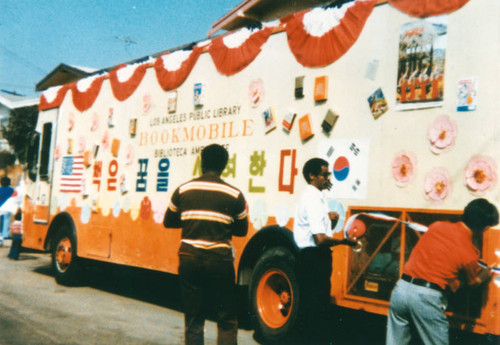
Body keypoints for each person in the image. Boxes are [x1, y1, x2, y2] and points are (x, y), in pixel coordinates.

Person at [163, 144, 248, 345]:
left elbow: (169, 221)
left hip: (189, 257)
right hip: (220, 260)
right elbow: (242, 230)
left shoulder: (184, 189)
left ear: (202, 163)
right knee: (226, 317)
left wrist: (191, 220)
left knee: (194, 316)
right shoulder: (234, 194)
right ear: (224, 166)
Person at [386, 198, 499, 345]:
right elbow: (472, 283)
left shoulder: (437, 226)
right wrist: (484, 275)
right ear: (484, 228)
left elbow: (435, 260)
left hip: (401, 290)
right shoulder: (469, 252)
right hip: (426, 298)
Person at [294, 158, 356, 343]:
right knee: (315, 307)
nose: (329, 177)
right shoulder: (312, 198)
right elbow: (320, 239)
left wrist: (330, 220)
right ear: (312, 175)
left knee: (315, 305)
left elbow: (321, 230)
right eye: (325, 174)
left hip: (314, 257)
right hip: (314, 257)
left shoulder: (318, 197)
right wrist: (345, 242)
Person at [0, 176, 14, 243]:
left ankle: (1, 234)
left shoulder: (0, 189)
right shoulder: (11, 189)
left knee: (1, 221)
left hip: (1, 207)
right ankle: (6, 234)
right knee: (6, 220)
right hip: (8, 207)